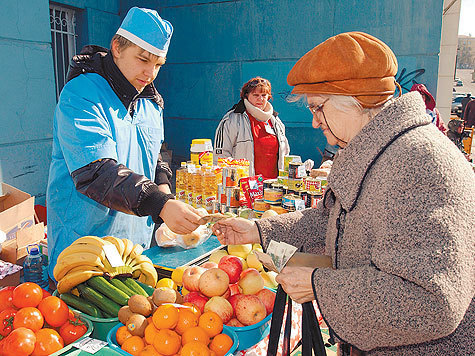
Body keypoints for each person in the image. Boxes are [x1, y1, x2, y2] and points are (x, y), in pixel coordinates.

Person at [213, 32, 474, 355]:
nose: (313, 122)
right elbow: (331, 219)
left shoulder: (418, 162)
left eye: (318, 108)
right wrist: (257, 230)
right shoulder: (381, 150)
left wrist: (319, 287)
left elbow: (431, 300)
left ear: (355, 101)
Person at [46, 7, 202, 279]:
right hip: (85, 252)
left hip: (134, 251)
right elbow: (95, 172)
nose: (150, 72)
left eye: (158, 64)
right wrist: (159, 204)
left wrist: (165, 194)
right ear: (117, 47)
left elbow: (154, 156)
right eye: (143, 60)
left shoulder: (150, 103)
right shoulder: (81, 95)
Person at [213, 77, 290, 179]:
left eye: (264, 95)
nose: (260, 99)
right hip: (244, 187)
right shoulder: (231, 119)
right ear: (246, 96)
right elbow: (221, 156)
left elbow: (285, 154)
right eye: (256, 95)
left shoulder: (276, 121)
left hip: (273, 188)